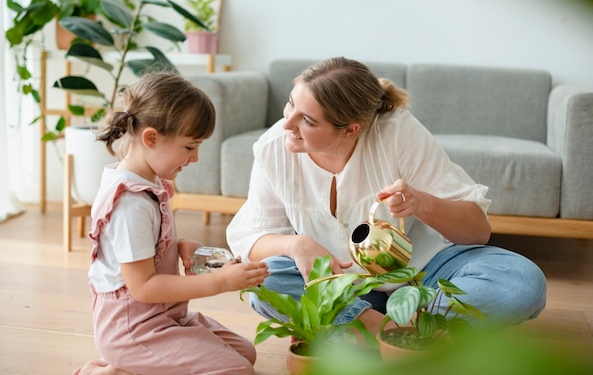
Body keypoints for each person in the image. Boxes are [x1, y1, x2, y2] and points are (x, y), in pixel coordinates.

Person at [227, 57, 546, 337]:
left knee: (522, 282)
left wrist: (422, 203)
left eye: (307, 121)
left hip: (423, 278)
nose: (287, 124)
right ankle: (394, 333)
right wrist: (296, 244)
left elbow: (478, 231)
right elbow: (251, 237)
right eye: (290, 105)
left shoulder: (397, 133)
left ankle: (356, 331)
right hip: (339, 290)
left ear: (350, 130)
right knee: (266, 284)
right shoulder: (273, 148)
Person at [74, 71, 269, 375]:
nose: (195, 158)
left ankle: (126, 369)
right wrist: (221, 282)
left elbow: (139, 251)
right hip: (134, 330)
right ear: (151, 138)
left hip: (166, 316)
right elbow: (143, 286)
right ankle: (120, 364)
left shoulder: (151, 182)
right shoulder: (129, 203)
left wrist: (178, 247)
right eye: (190, 146)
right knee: (238, 371)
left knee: (246, 353)